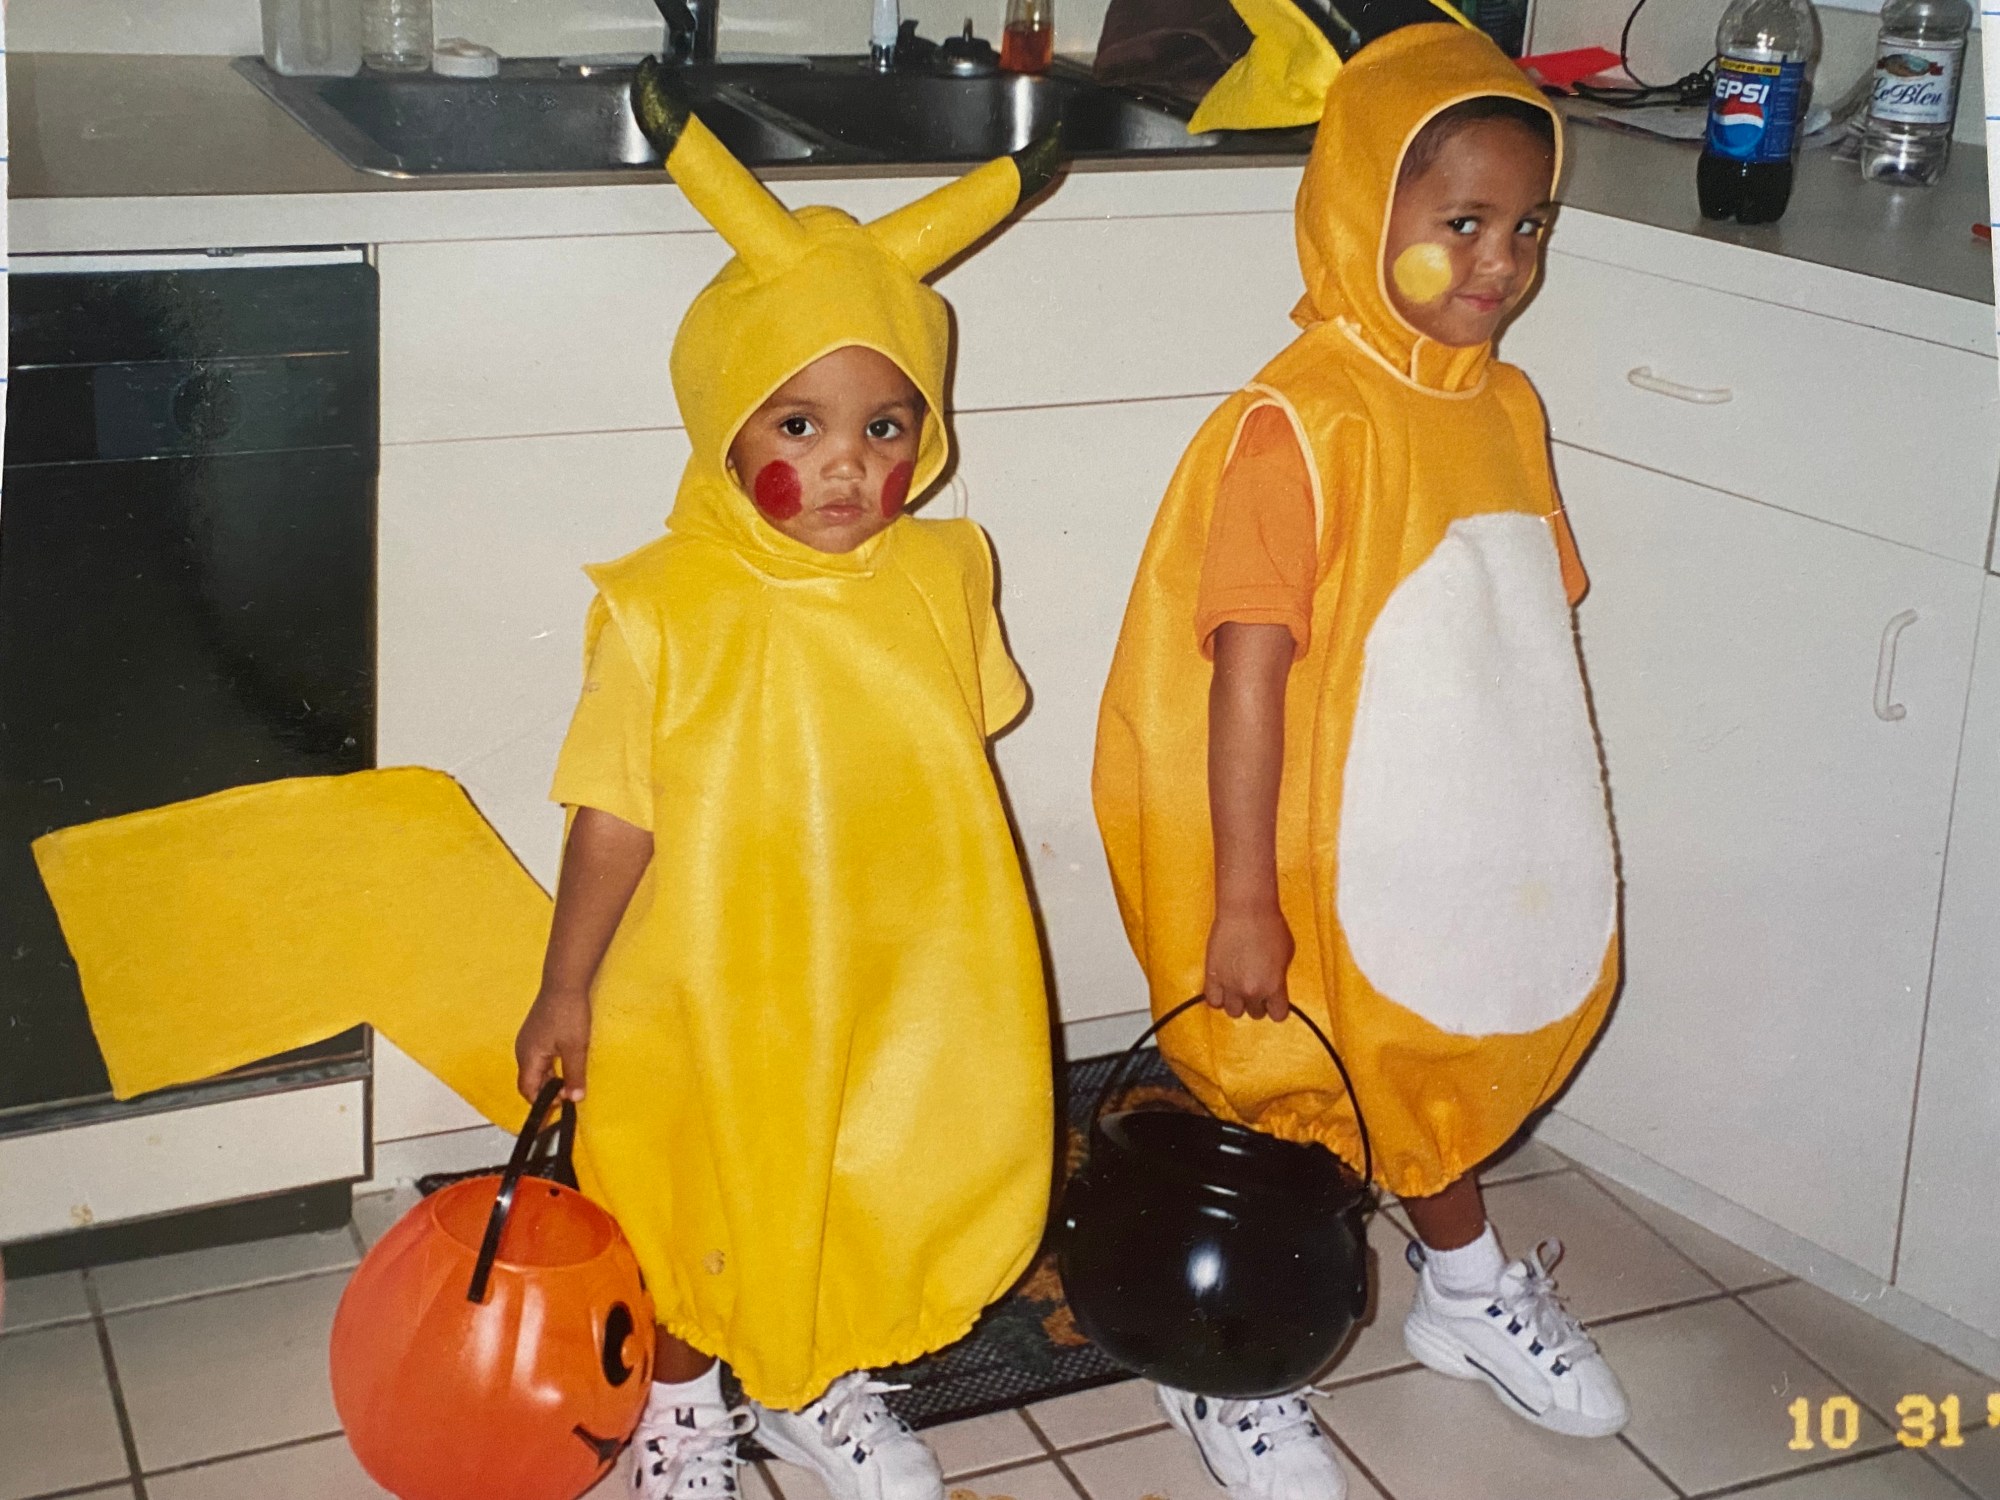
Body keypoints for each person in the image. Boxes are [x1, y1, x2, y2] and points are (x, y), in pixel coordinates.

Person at [1092, 9, 1627, 1497]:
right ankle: (1221, 1368)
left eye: (1528, 224)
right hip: (1303, 852)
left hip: (1441, 835)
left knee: (1428, 1060)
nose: (1502, 262)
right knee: (1288, 1095)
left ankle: (1465, 1301)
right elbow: (1246, 678)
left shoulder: (1501, 407)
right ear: (1356, 208)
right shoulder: (1302, 427)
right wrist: (1245, 899)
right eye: (1460, 221)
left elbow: (1517, 629)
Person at [512, 71, 1058, 1500]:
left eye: (886, 428)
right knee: (699, 1185)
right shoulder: (664, 605)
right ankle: (686, 1407)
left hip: (892, 964)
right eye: (798, 425)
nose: (844, 469)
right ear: (725, 424)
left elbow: (954, 765)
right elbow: (613, 806)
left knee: (870, 1168)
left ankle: (827, 1380)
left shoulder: (946, 570)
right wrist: (566, 985)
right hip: (708, 976)